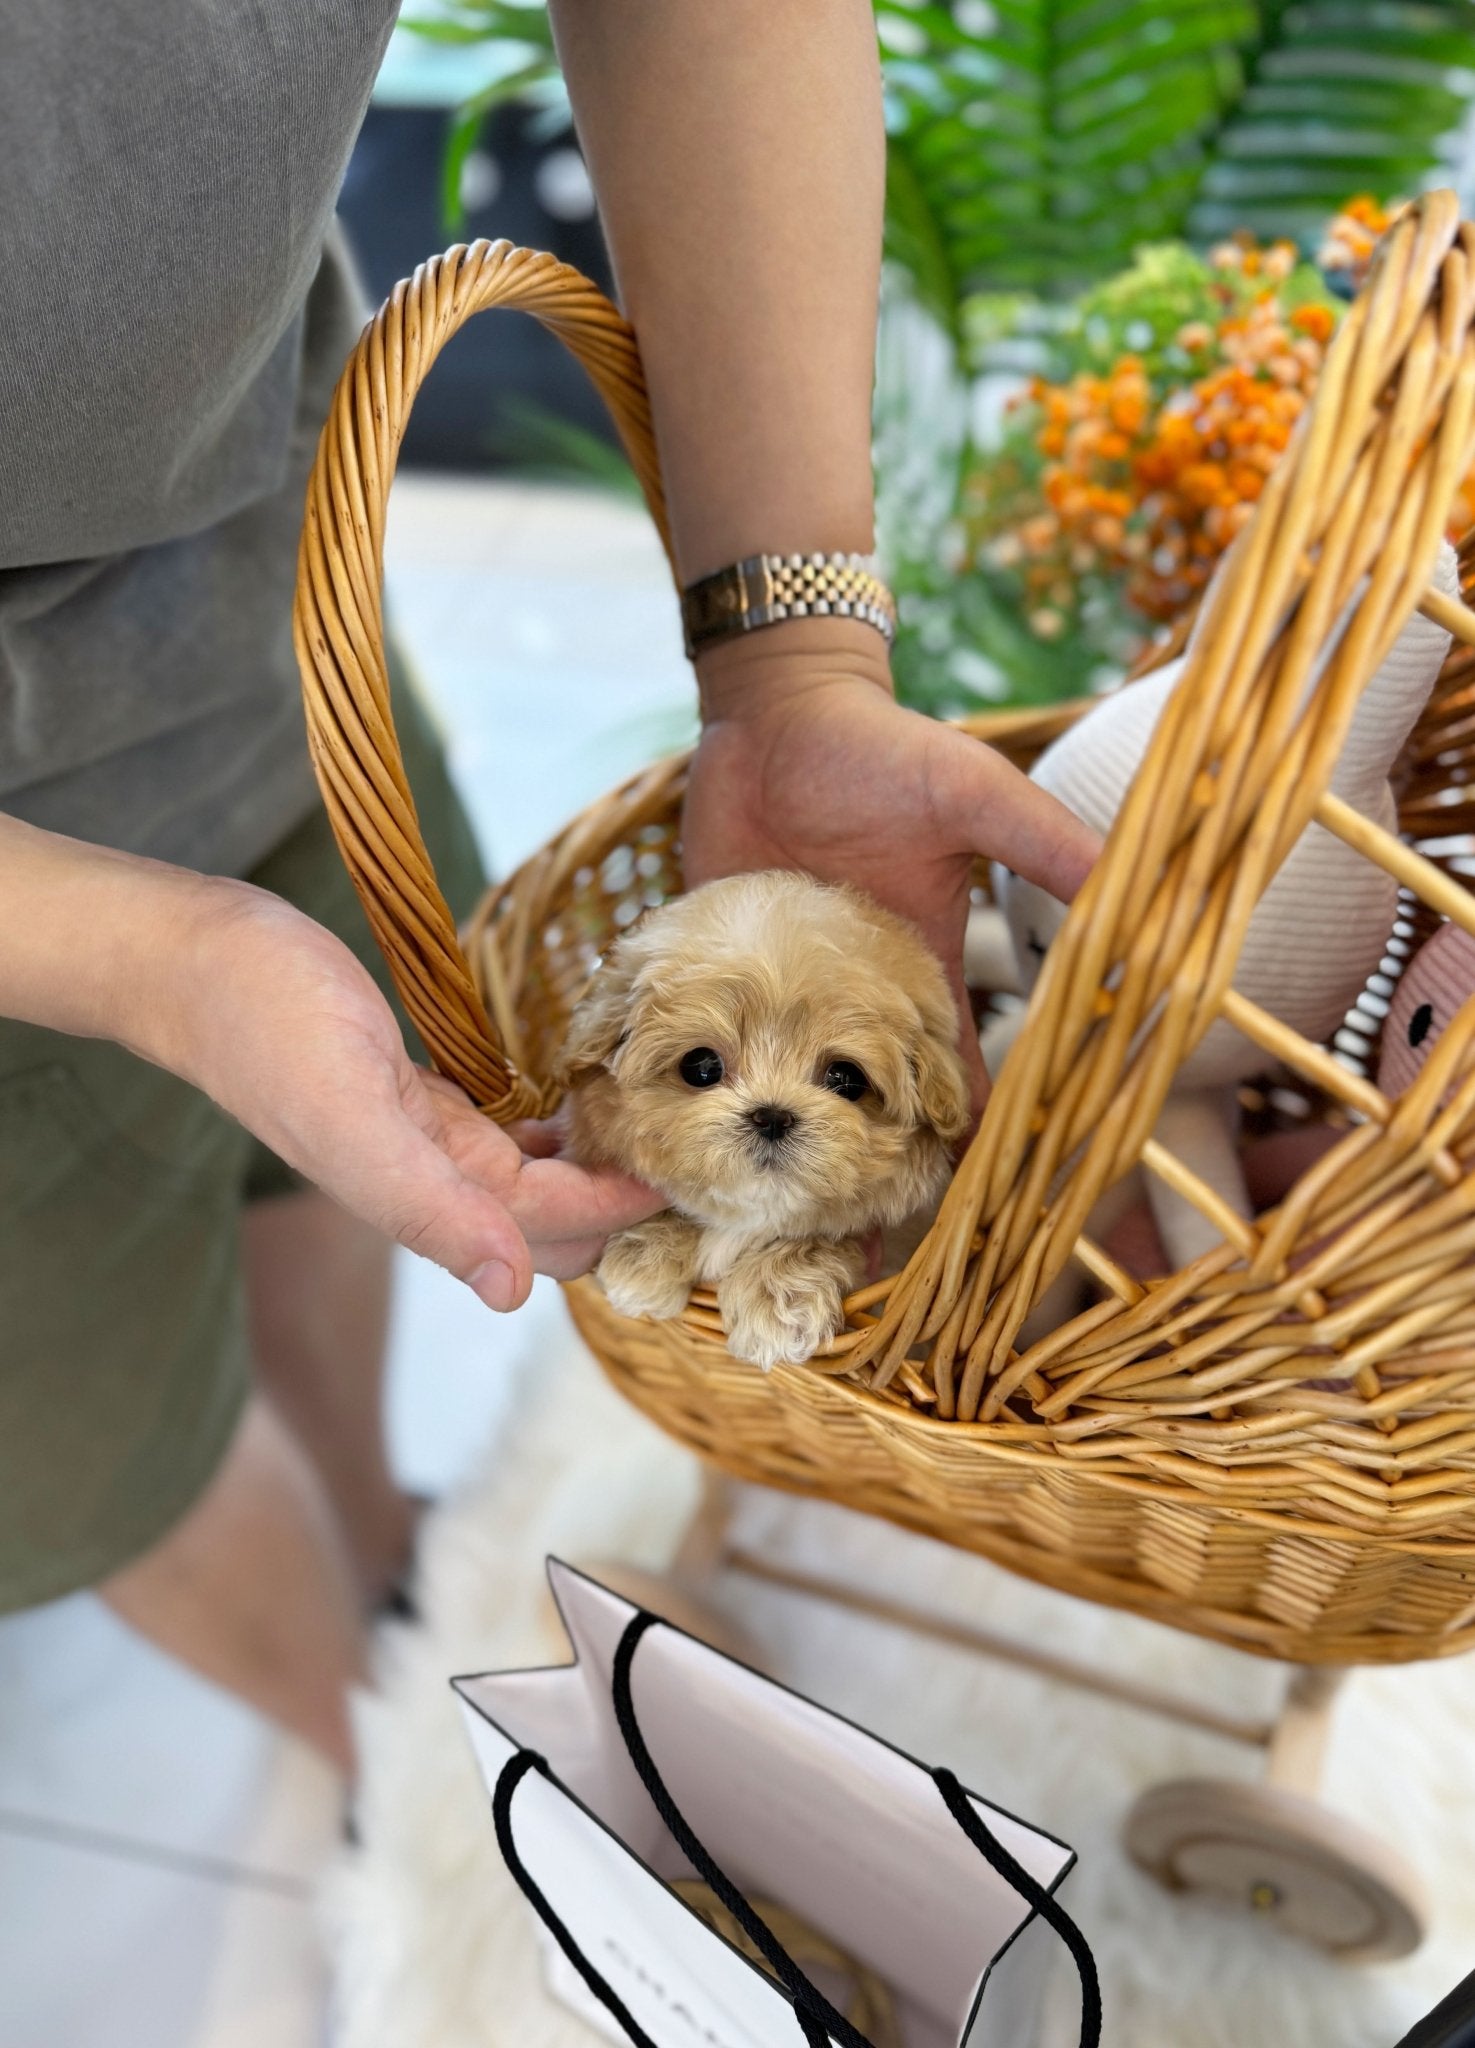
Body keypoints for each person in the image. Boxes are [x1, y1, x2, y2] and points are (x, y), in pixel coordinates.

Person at [0, 1, 1095, 1774]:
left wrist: (796, 666)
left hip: (283, 610)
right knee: (121, 1454)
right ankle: (393, 1752)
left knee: (320, 1185)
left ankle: (380, 1534)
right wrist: (156, 961)